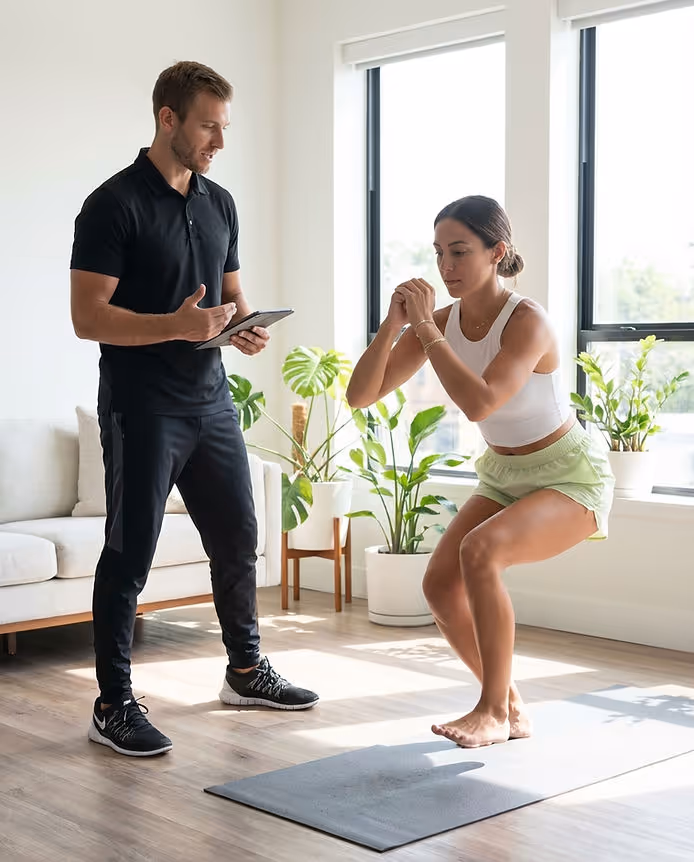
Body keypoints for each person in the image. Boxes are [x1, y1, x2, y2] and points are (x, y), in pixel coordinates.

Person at [70, 61, 318, 758]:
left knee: (239, 536)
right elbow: (87, 317)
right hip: (142, 407)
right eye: (208, 124)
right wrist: (173, 326)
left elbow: (229, 295)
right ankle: (113, 704)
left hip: (211, 402)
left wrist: (242, 328)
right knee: (130, 555)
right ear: (168, 118)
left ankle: (244, 671)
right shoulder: (111, 205)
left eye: (224, 126)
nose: (218, 139)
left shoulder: (220, 202)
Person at [346, 195, 614, 749]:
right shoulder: (438, 322)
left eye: (461, 252)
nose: (447, 268)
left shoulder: (529, 321)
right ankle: (510, 705)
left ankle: (491, 710)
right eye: (440, 253)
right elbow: (360, 395)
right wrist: (392, 326)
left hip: (568, 474)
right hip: (503, 473)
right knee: (440, 587)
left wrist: (425, 330)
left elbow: (481, 404)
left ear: (499, 252)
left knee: (480, 551)